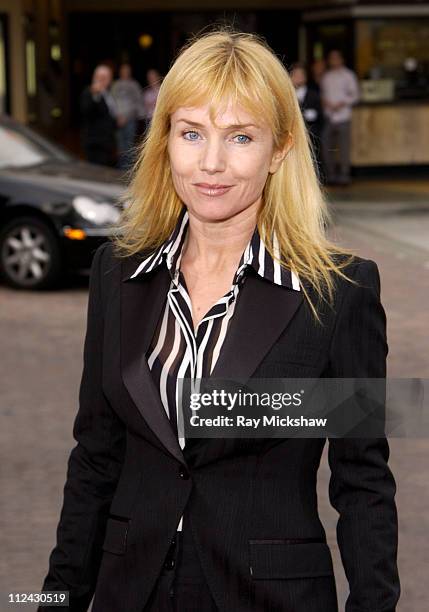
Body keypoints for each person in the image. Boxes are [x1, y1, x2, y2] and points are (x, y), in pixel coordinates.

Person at [38, 30, 400, 612]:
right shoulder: (116, 273)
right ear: (165, 142)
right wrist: (55, 601)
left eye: (240, 137)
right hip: (129, 592)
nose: (211, 163)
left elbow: (363, 483)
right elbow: (95, 458)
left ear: (279, 148)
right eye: (191, 134)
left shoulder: (341, 292)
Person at [320, 49, 360, 185]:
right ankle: (330, 175)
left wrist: (342, 103)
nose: (334, 61)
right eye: (332, 58)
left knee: (344, 148)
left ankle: (344, 176)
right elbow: (323, 95)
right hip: (329, 117)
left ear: (342, 60)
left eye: (337, 58)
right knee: (326, 146)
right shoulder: (326, 76)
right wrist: (326, 102)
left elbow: (355, 95)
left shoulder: (348, 75)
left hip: (343, 116)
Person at [290, 61, 324, 180]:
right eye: (295, 75)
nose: (298, 78)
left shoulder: (313, 94)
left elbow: (319, 116)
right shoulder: (286, 94)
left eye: (301, 75)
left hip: (310, 134)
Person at [80, 64, 117, 166]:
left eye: (107, 78)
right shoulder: (89, 92)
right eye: (101, 78)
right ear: (95, 78)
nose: (104, 80)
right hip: (95, 144)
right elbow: (86, 110)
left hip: (107, 143)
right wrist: (95, 94)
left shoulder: (107, 93)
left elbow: (108, 113)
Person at [112, 63, 144, 170]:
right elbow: (111, 102)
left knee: (129, 145)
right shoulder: (115, 85)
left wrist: (128, 116)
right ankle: (120, 170)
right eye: (123, 70)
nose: (125, 72)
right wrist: (117, 116)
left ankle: (127, 171)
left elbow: (138, 103)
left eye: (127, 70)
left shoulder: (134, 85)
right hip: (118, 120)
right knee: (120, 145)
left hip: (130, 120)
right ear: (120, 72)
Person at [141, 68, 161, 134]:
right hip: (150, 120)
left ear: (157, 77)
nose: (151, 79)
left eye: (153, 76)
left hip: (161, 119)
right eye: (149, 77)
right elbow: (145, 107)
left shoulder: (163, 90)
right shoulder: (146, 93)